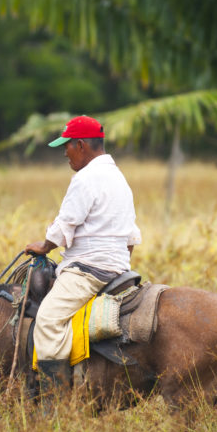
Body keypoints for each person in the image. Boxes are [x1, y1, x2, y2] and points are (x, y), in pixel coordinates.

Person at [24, 115, 142, 394]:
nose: (64, 153)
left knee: (49, 320)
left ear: (80, 145)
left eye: (66, 146)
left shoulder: (85, 178)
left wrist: (44, 246)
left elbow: (66, 223)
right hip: (118, 270)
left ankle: (54, 401)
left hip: (87, 271)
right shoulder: (119, 178)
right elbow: (132, 236)